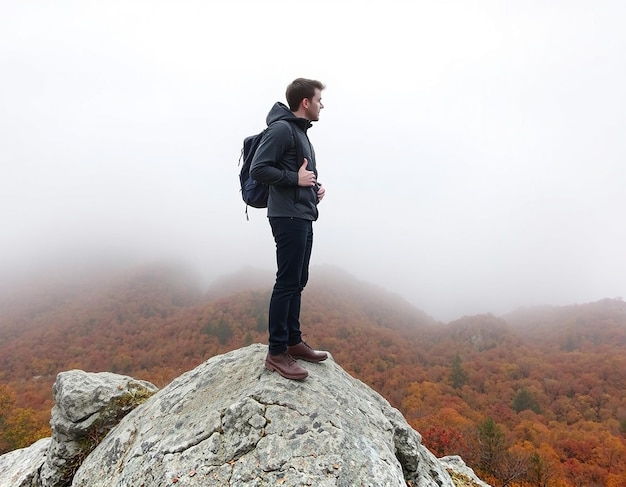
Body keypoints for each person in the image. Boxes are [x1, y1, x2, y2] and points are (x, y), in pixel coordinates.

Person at [250, 78, 328, 380]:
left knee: (298, 279)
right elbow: (259, 168)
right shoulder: (282, 129)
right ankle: (277, 351)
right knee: (287, 281)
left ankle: (293, 341)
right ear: (305, 102)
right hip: (287, 217)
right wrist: (295, 181)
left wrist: (314, 187)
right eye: (319, 100)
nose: (323, 106)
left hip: (303, 213)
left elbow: (301, 172)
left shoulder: (300, 134)